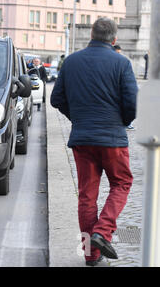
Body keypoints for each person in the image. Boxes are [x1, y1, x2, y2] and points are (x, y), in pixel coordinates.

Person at [51, 17, 138, 266]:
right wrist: (121, 121)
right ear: (114, 39)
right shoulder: (122, 63)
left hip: (83, 139)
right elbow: (132, 103)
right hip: (113, 140)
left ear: (91, 33)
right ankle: (103, 231)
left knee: (87, 197)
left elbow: (56, 99)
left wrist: (77, 118)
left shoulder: (71, 62)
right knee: (121, 183)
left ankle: (91, 255)